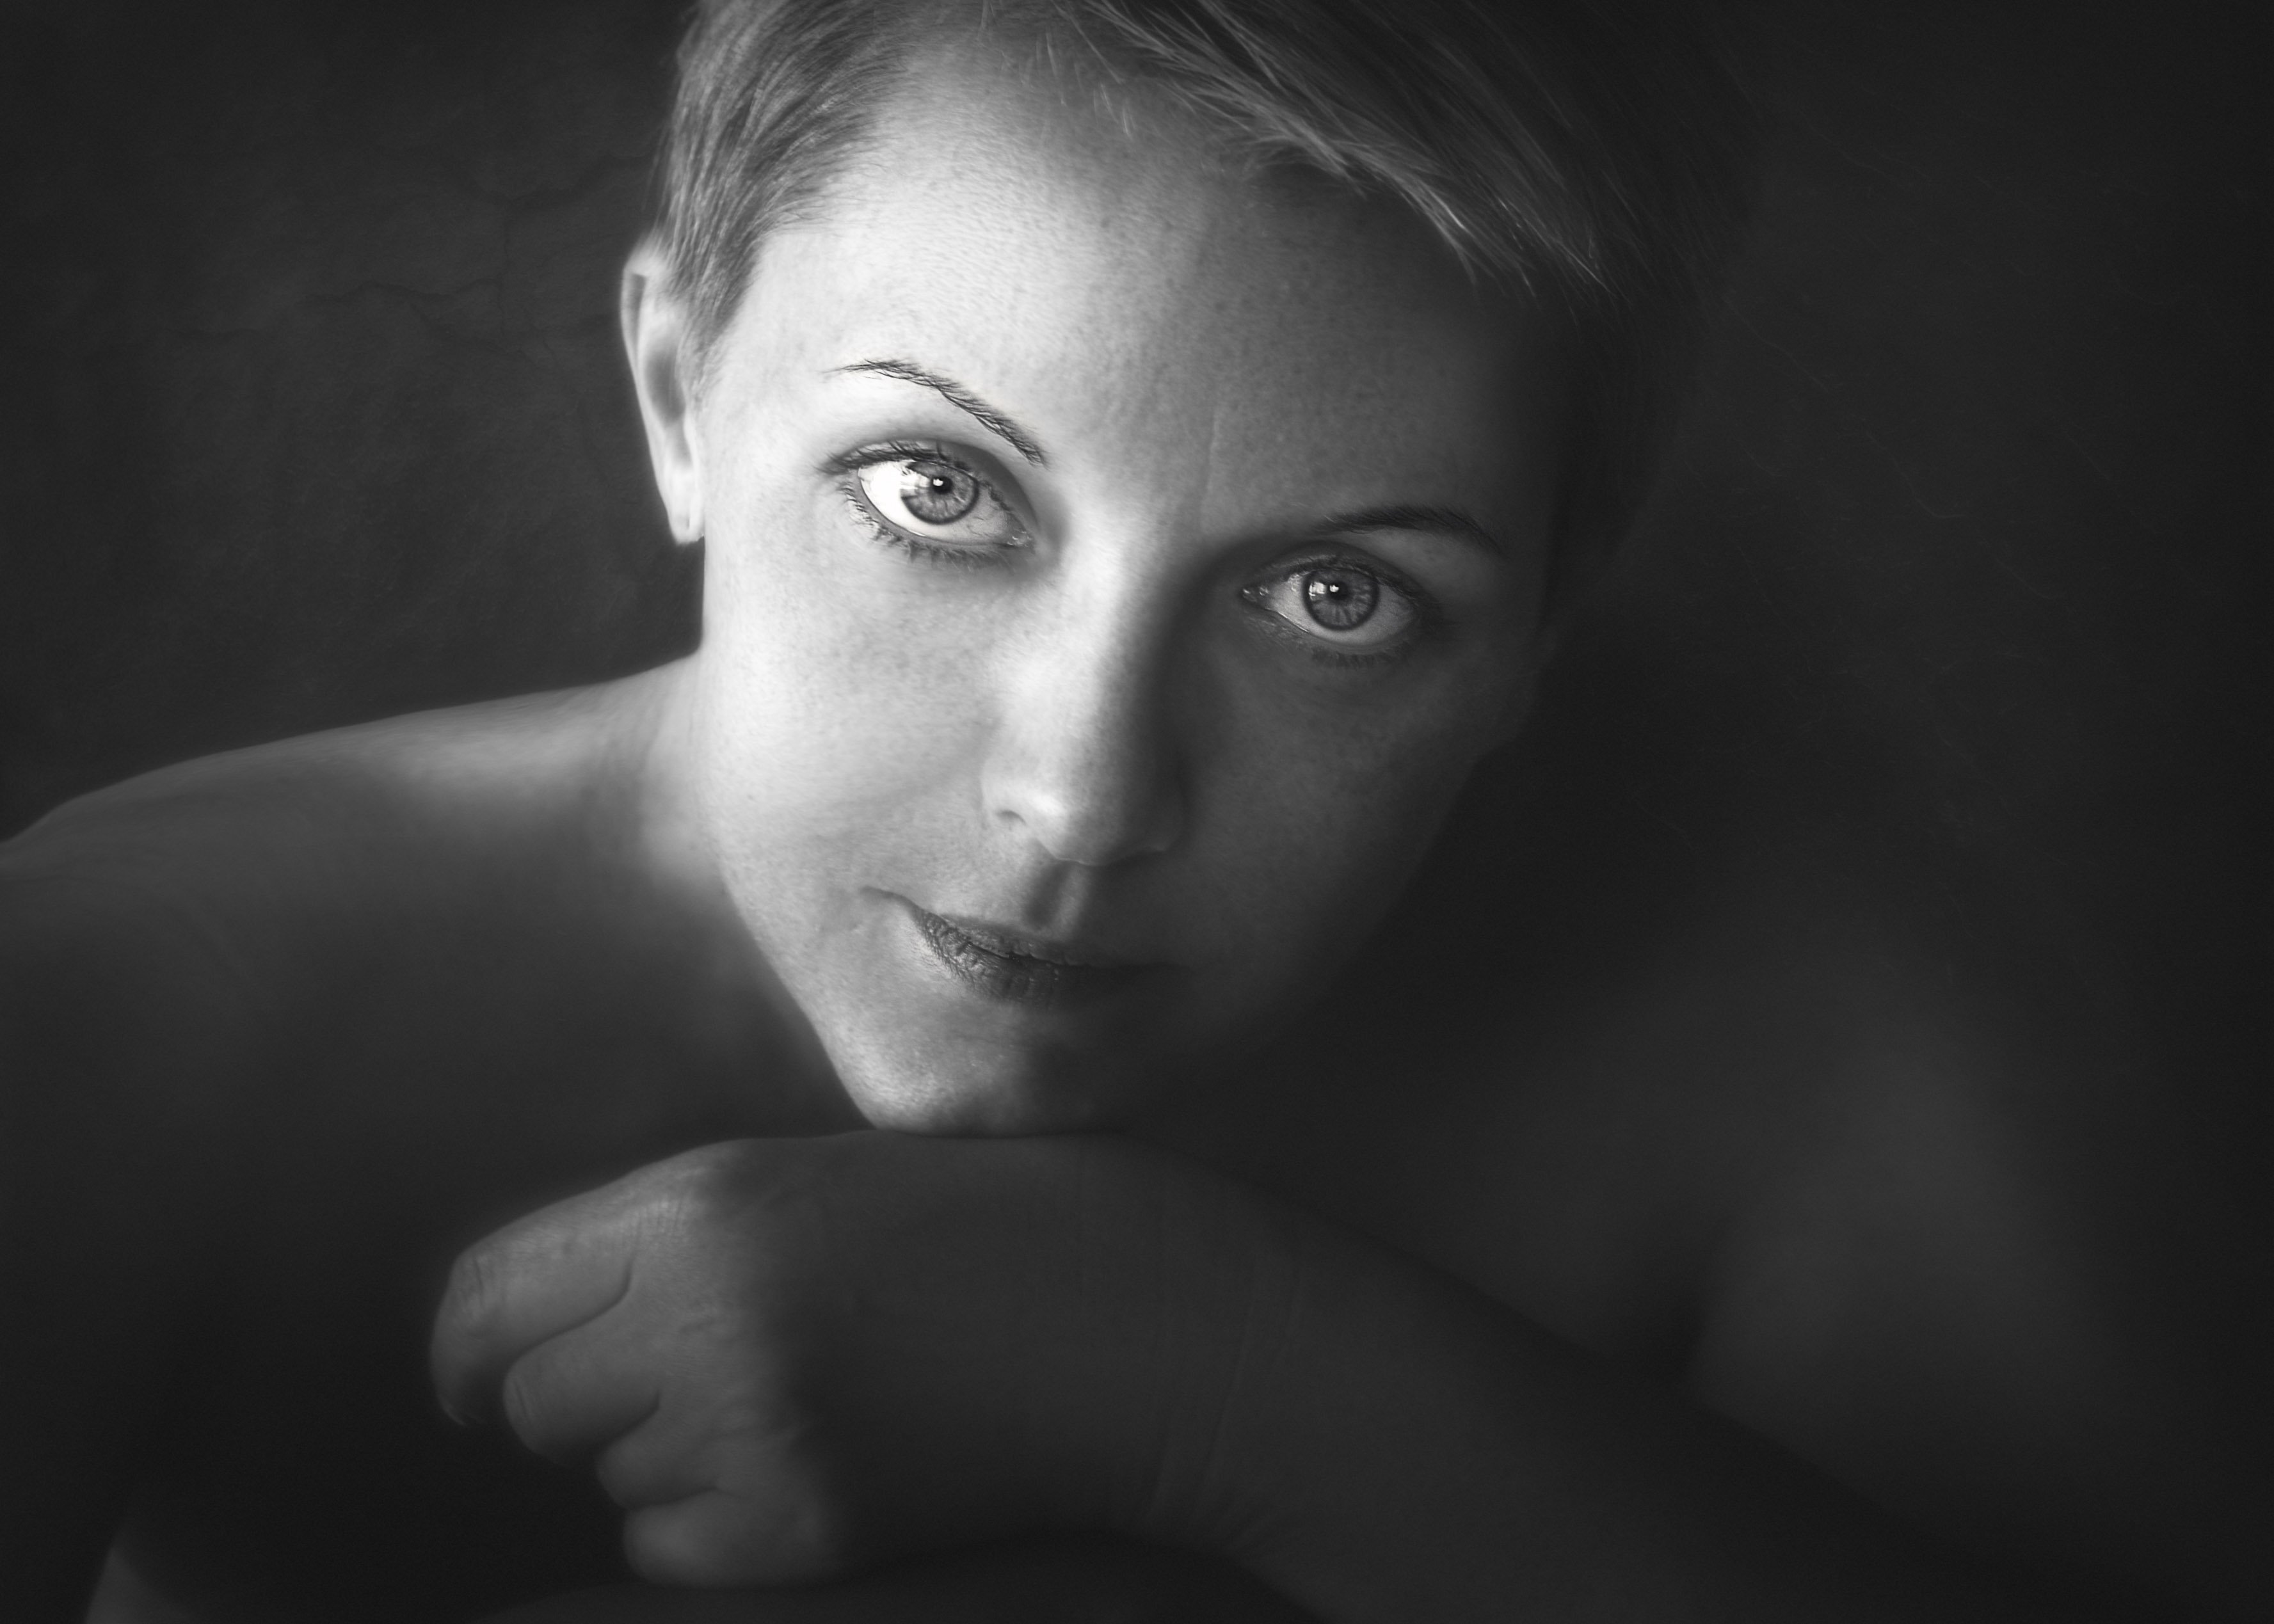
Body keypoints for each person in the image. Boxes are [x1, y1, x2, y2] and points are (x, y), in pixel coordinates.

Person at [0, 0, 2252, 1620]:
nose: (1080, 792)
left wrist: (1211, 1379)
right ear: (682, 396)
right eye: (934, 491)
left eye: (1336, 594)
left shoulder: (1779, 1019)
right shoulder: (141, 1004)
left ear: (1538, 633)